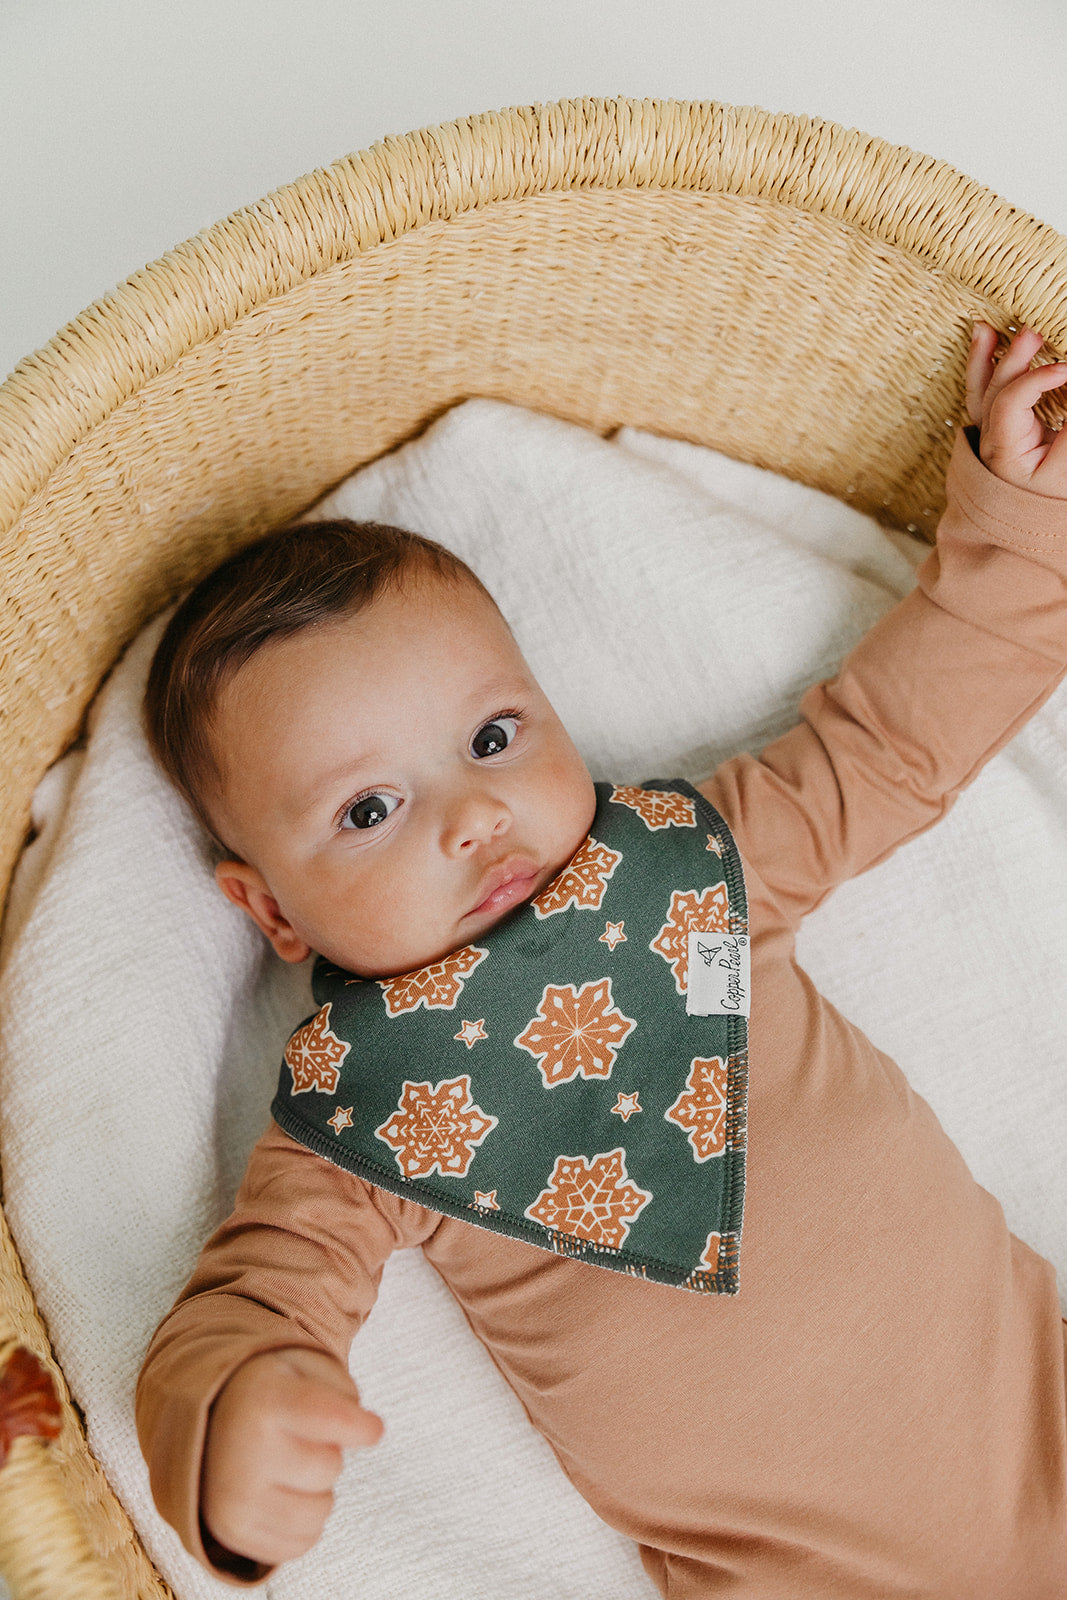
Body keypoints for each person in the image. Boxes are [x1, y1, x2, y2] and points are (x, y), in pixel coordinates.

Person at [136, 324, 1067, 1597]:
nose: (472, 813)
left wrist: (1016, 520)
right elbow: (257, 1296)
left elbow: (895, 742)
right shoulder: (358, 1111)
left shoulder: (691, 867)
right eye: (368, 809)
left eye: (491, 733)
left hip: (1038, 1421)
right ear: (273, 913)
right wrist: (244, 1403)